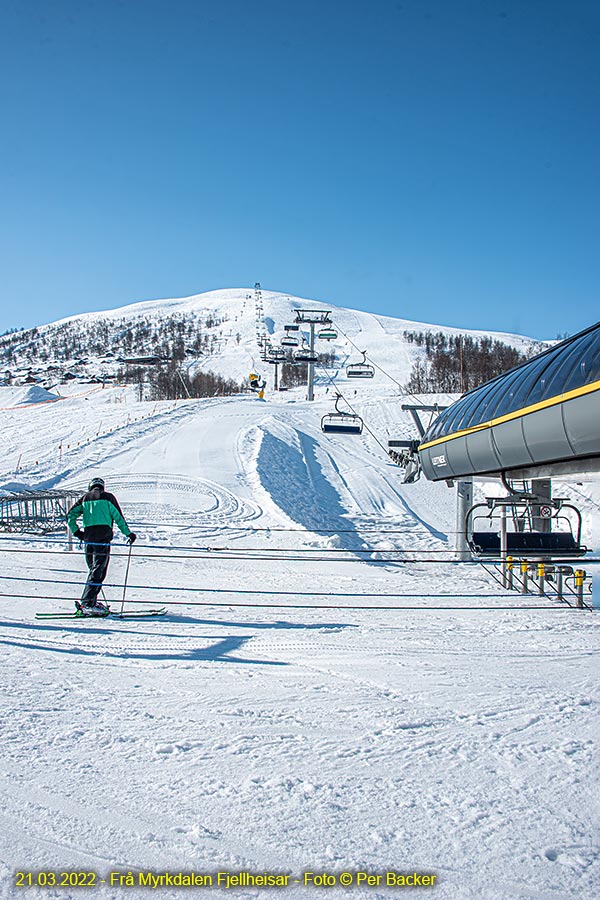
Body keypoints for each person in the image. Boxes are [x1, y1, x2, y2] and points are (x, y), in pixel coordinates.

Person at [67, 477, 137, 616]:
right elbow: (118, 517)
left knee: (93, 570)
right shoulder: (108, 497)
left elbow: (70, 515)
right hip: (102, 539)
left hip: (88, 540)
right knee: (99, 571)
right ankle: (87, 604)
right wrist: (128, 534)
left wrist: (77, 532)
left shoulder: (85, 499)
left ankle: (91, 601)